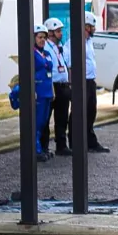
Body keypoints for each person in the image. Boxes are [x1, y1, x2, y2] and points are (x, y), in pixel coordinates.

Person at [65, 11, 110, 153]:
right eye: (91, 27)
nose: (94, 30)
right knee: (78, 113)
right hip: (80, 82)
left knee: (91, 112)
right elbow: (70, 64)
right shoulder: (73, 42)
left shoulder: (89, 42)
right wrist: (72, 84)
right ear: (85, 26)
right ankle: (74, 143)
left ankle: (90, 142)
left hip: (90, 81)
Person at [42, 17, 72, 156]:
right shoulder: (46, 47)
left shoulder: (59, 48)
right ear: (50, 33)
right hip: (52, 86)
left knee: (62, 118)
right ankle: (44, 147)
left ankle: (61, 146)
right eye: (58, 31)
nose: (61, 34)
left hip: (63, 86)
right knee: (46, 117)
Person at [33, 24, 54, 163]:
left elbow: (50, 73)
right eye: (40, 37)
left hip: (47, 92)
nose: (42, 40)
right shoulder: (31, 53)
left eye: (44, 37)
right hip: (38, 92)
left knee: (44, 122)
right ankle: (36, 150)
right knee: (37, 121)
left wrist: (52, 90)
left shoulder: (46, 53)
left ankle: (41, 148)